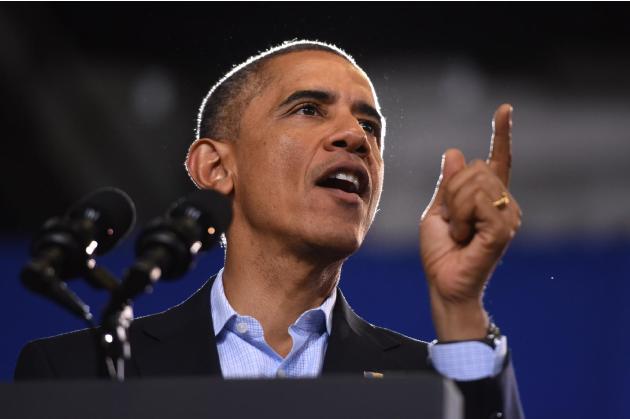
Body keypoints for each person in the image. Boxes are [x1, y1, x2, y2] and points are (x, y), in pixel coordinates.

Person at [15, 40, 524, 418]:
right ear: (216, 169)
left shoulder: (429, 384)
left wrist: (460, 305)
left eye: (370, 126)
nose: (355, 136)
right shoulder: (82, 371)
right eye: (308, 109)